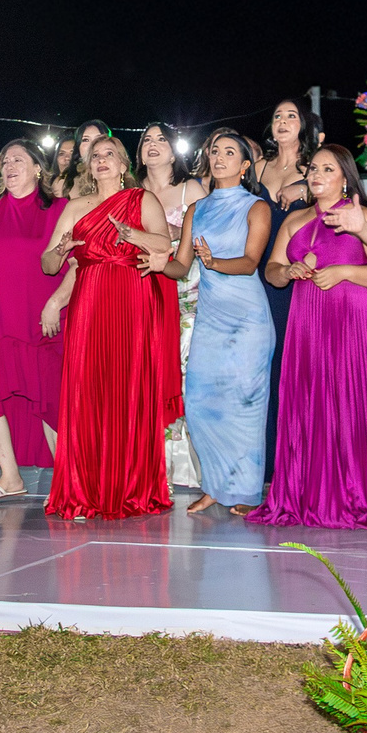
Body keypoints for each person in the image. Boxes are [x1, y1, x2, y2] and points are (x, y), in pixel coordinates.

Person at [255, 145, 367, 530]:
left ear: (345, 176)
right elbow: (271, 269)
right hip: (307, 322)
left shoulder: (362, 217)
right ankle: (306, 491)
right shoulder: (295, 220)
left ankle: (355, 494)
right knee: (309, 402)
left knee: (350, 403)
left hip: (354, 321)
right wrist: (288, 272)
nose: (317, 175)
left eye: (327, 169)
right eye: (313, 169)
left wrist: (345, 272)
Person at [42, 136, 180, 521]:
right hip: (89, 302)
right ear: (88, 166)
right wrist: (61, 249)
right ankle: (85, 487)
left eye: (110, 155)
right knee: (88, 389)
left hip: (132, 298)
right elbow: (48, 265)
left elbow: (165, 244)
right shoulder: (74, 207)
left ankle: (132, 485)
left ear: (123, 165)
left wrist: (132, 235)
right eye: (95, 156)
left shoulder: (141, 200)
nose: (101, 160)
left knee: (129, 385)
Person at [0, 140, 72, 503]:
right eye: (5, 160)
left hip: (42, 324)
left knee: (48, 397)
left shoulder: (59, 209)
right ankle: (10, 477)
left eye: (18, 160)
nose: (9, 166)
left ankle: (66, 484)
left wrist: (56, 303)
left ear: (38, 168)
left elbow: (78, 266)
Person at [175, 128, 273, 516]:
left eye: (229, 152)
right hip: (212, 318)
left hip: (248, 320)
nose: (219, 157)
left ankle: (247, 493)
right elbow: (182, 263)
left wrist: (214, 262)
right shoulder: (197, 209)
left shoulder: (256, 207)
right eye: (215, 151)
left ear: (245, 165)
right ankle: (214, 485)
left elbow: (250, 262)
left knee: (246, 406)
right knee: (199, 402)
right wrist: (152, 263)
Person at [136, 123, 209, 490]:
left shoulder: (191, 188)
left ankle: (191, 466)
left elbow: (207, 237)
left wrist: (169, 239)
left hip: (187, 293)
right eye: (146, 140)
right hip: (144, 293)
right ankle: (155, 466)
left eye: (161, 139)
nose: (153, 145)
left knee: (186, 377)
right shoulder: (131, 192)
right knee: (150, 375)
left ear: (174, 149)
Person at [254, 98, 317, 483]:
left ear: (304, 125)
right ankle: (267, 462)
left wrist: (306, 185)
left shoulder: (315, 168)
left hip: (299, 275)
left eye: (291, 116)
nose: (282, 121)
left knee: (296, 366)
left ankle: (300, 461)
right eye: (276, 115)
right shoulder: (257, 167)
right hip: (257, 273)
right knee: (264, 365)